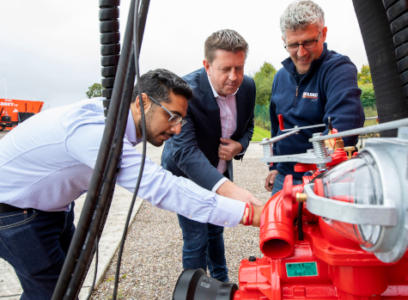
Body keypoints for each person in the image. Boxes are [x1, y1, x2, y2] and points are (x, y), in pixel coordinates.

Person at [0, 68, 261, 300]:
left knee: (65, 284)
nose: (178, 129)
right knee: (52, 292)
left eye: (181, 119)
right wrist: (248, 213)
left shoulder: (115, 120)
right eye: (172, 116)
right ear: (142, 102)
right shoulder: (97, 131)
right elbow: (161, 187)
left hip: (50, 208)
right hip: (14, 212)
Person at [161, 29, 258, 282]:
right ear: (207, 65)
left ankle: (221, 283)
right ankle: (195, 291)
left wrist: (239, 145)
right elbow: (184, 151)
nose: (234, 77)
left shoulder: (248, 86)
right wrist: (227, 189)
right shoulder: (183, 92)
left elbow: (249, 126)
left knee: (216, 231)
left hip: (220, 170)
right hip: (187, 174)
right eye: (226, 69)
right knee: (196, 238)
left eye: (239, 68)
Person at [265, 0, 365, 194]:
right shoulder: (280, 77)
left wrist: (317, 172)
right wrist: (274, 166)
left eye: (309, 42)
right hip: (284, 177)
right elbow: (277, 126)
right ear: (283, 40)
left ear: (323, 33)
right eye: (293, 44)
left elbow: (344, 127)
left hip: (324, 178)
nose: (301, 53)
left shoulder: (338, 70)